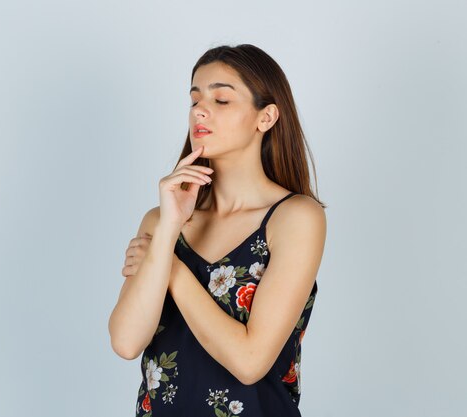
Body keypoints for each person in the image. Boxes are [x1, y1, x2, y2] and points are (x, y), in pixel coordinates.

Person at [108, 43, 327, 417]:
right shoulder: (161, 221)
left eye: (221, 100)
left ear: (266, 117)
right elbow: (127, 343)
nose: (200, 111)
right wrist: (168, 230)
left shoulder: (296, 218)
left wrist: (171, 268)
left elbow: (249, 361)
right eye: (194, 100)